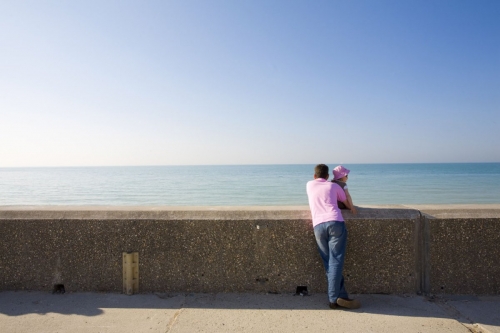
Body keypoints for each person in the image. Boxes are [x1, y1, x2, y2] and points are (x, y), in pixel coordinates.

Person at [306, 164, 361, 310]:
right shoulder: (333, 186)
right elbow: (345, 200)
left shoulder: (309, 185)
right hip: (335, 222)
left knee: (328, 263)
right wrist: (352, 208)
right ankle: (333, 299)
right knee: (336, 261)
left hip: (318, 226)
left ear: (314, 176)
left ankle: (341, 295)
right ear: (328, 176)